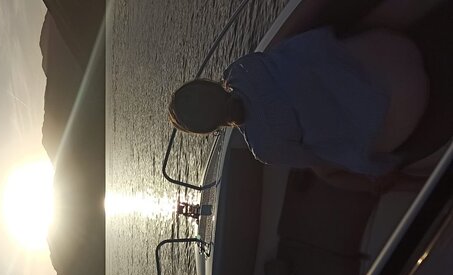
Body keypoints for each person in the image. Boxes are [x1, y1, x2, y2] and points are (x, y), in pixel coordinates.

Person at [168, 26, 428, 178]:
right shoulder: (242, 69)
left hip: (401, 114)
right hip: (395, 50)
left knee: (336, 157)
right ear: (210, 84)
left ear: (209, 129)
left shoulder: (264, 148)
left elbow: (325, 164)